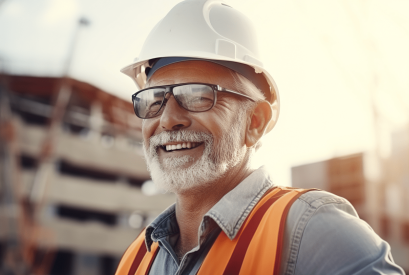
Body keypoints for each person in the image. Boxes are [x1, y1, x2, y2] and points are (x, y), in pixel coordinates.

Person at [116, 0, 405, 274]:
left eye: (197, 95)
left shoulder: (314, 232)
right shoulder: (135, 260)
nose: (167, 119)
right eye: (153, 99)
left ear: (255, 122)